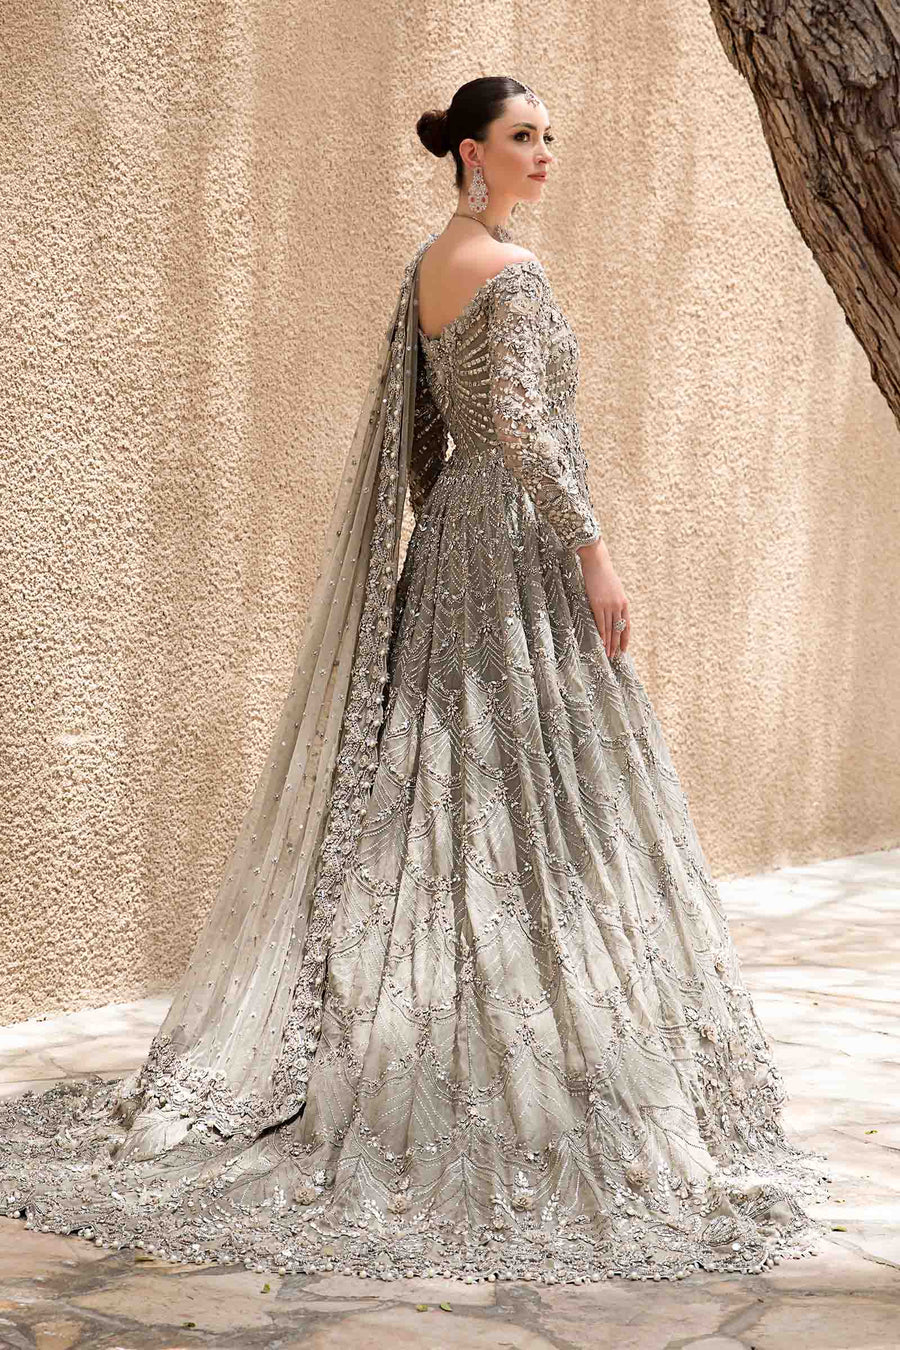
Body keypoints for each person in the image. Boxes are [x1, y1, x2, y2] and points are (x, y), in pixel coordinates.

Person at [0, 75, 831, 1286]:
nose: (544, 153)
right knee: (538, 795)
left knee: (447, 790)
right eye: (523, 137)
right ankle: (530, 1049)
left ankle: (411, 1024)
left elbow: (428, 447)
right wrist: (592, 552)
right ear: (472, 155)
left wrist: (441, 544)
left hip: (449, 550)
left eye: (549, 136)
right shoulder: (513, 274)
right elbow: (529, 434)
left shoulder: (430, 267)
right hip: (519, 550)